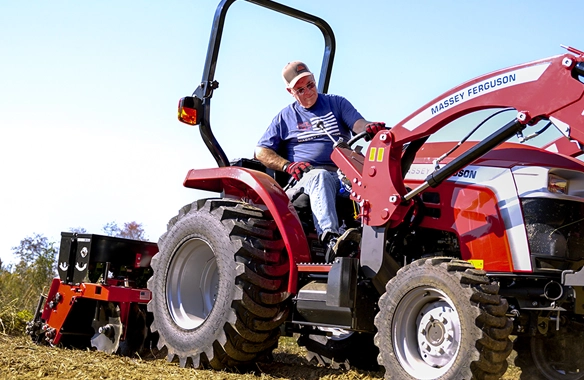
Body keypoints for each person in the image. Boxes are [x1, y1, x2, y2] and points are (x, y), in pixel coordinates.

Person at [255, 61, 386, 262]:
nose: (308, 92)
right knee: (321, 177)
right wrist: (287, 166)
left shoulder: (336, 103)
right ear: (290, 91)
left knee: (375, 183)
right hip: (306, 179)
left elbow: (359, 124)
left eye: (311, 85)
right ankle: (332, 240)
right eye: (300, 89)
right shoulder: (285, 117)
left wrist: (370, 127)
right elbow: (261, 151)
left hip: (343, 174)